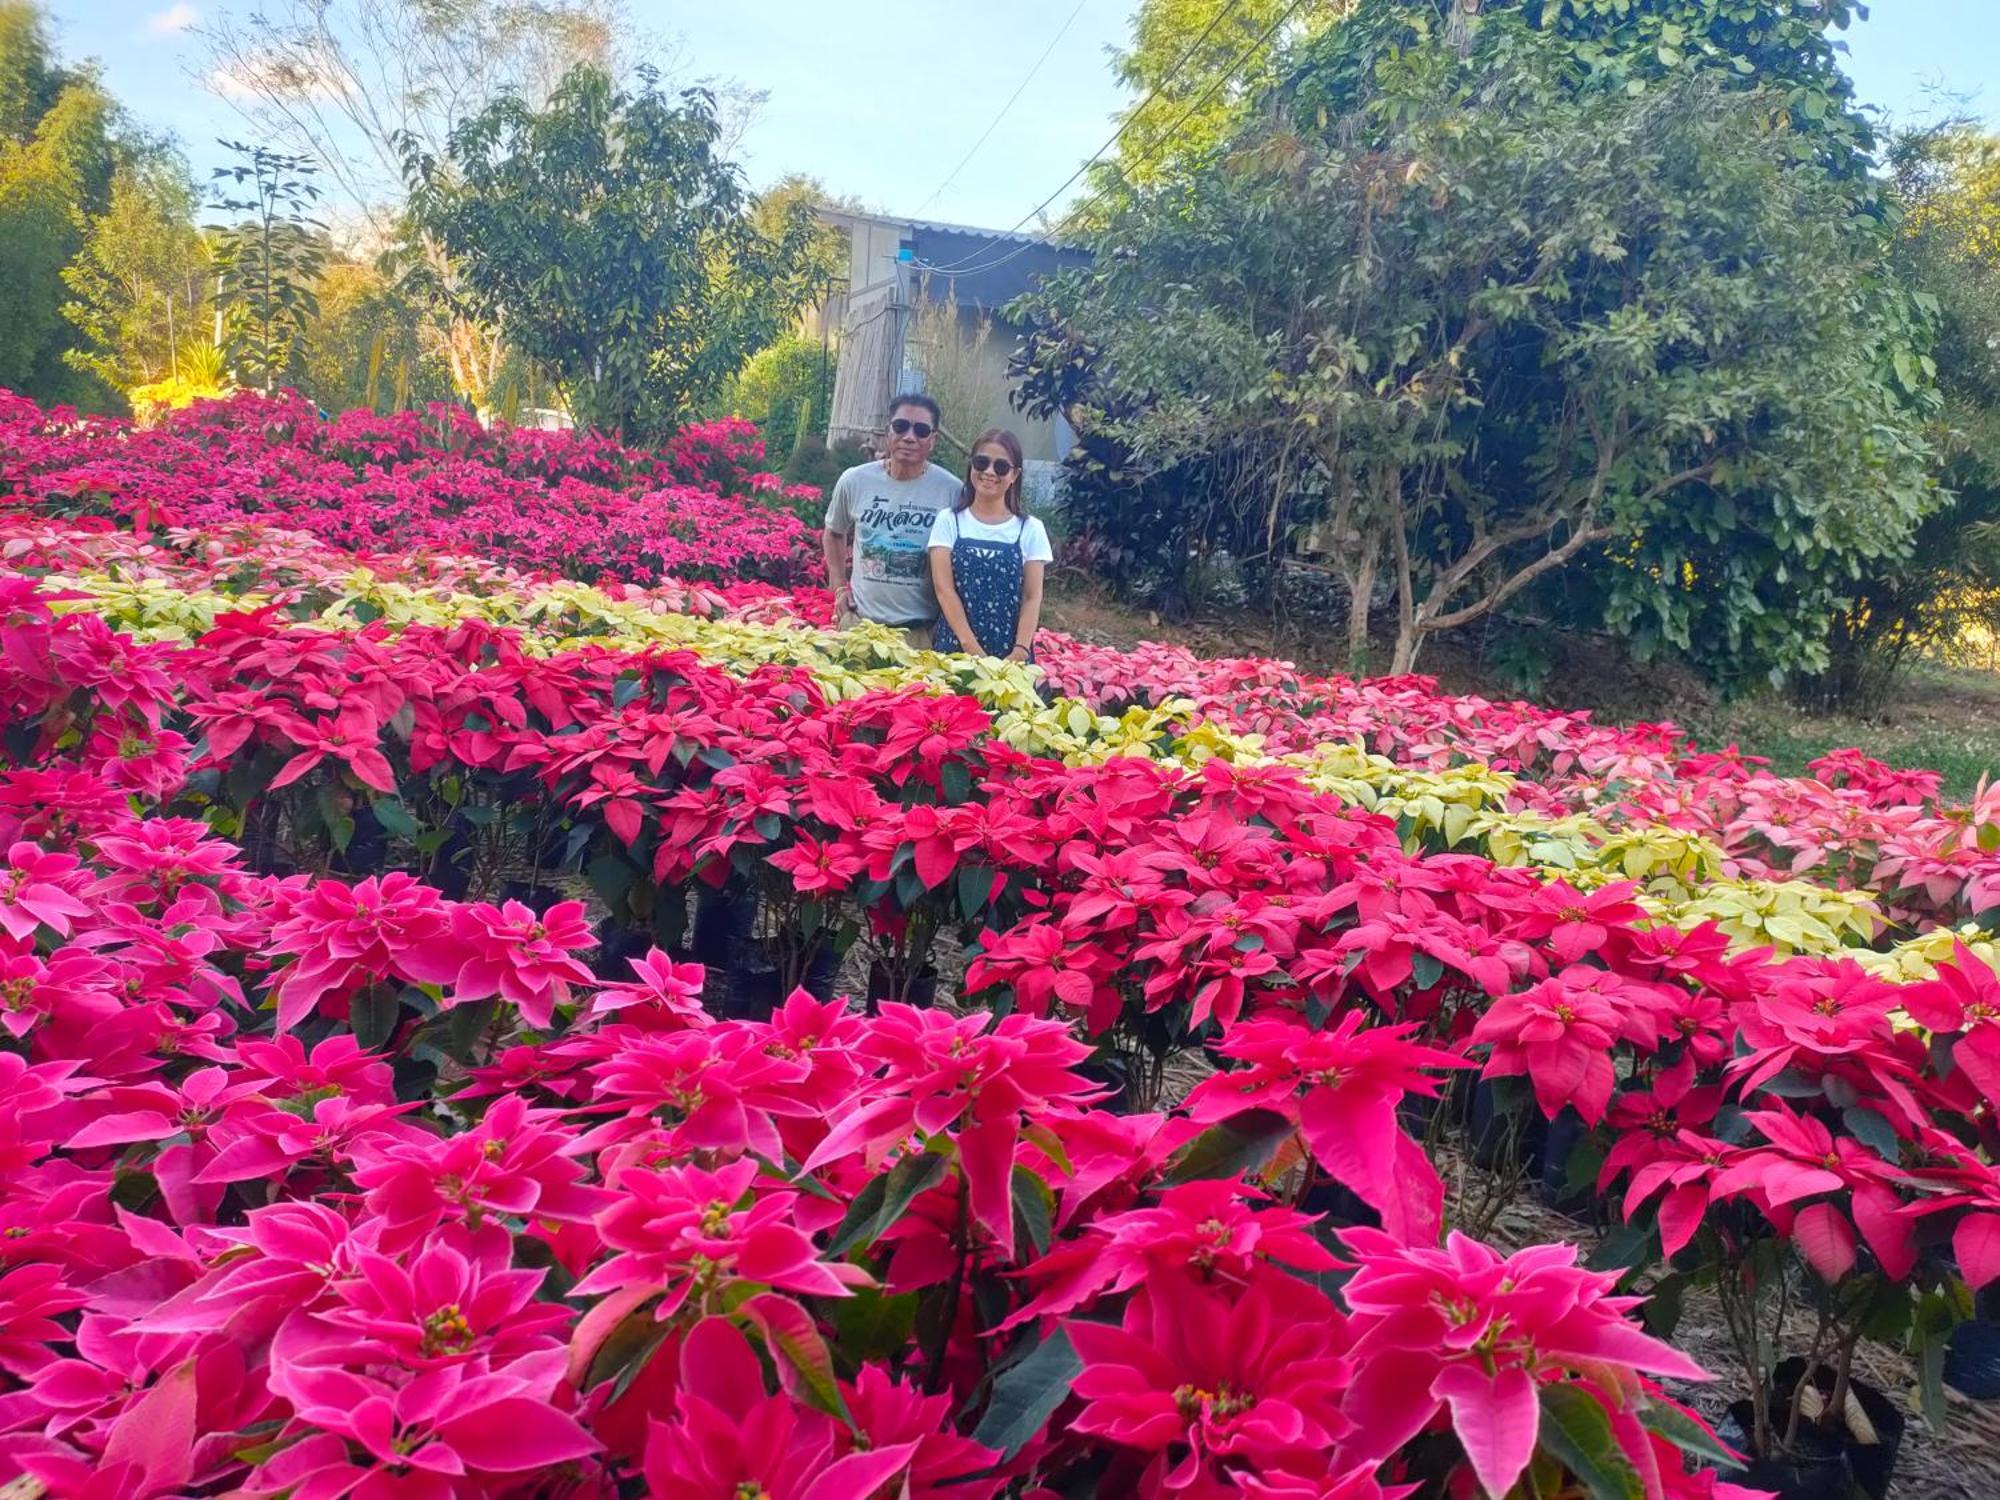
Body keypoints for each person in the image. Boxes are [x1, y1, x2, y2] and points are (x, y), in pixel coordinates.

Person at [822, 393, 962, 649]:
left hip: (921, 635)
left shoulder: (952, 491)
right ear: (888, 431)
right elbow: (834, 531)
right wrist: (839, 584)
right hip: (859, 627)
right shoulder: (854, 481)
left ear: (933, 440)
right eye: (901, 426)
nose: (909, 437)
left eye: (921, 430)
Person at [927, 428, 1051, 663]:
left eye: (1001, 467)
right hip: (955, 651)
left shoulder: (1031, 529)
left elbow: (1032, 596)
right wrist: (971, 648)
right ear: (971, 466)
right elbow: (944, 589)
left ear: (1014, 475)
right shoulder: (949, 521)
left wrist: (1021, 650)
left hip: (1011, 655)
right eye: (982, 463)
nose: (989, 472)